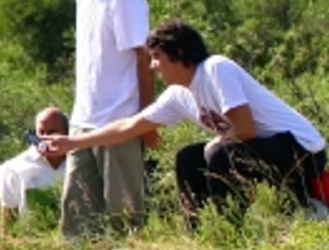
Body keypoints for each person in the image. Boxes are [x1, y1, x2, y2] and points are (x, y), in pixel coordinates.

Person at [41, 21, 327, 224]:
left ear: (178, 55)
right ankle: (205, 228)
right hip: (263, 151)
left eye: (156, 57)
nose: (152, 66)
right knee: (188, 158)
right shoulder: (179, 95)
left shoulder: (216, 69)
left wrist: (218, 142)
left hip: (303, 152)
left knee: (217, 153)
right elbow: (129, 127)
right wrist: (71, 142)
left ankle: (237, 225)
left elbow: (246, 129)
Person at [59, 0, 153, 237]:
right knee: (77, 214)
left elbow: (143, 57)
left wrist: (145, 119)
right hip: (83, 119)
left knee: (123, 215)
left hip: (119, 119)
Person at [0, 106, 70, 221]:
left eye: (52, 132)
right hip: (32, 236)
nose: (45, 138)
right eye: (41, 132)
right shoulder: (14, 168)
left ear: (67, 133)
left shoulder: (81, 163)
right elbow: (8, 218)